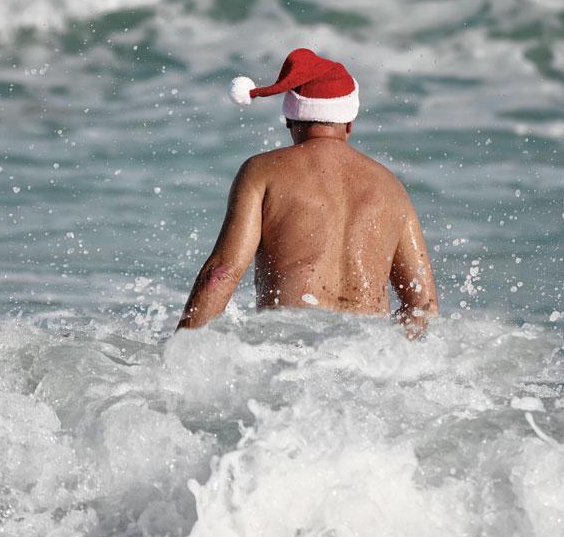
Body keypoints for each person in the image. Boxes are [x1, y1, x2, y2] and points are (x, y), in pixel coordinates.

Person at [176, 48, 438, 339]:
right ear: (349, 122)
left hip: (289, 352)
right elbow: (423, 307)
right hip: (363, 357)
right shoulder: (391, 187)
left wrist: (177, 357)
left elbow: (223, 272)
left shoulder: (262, 172)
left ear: (290, 119)